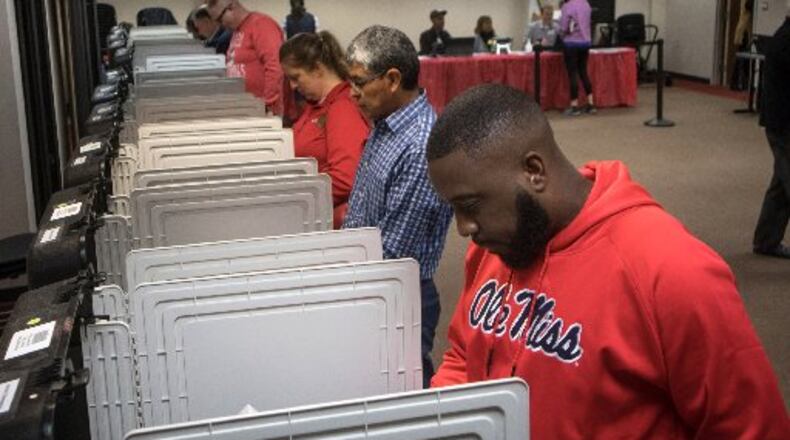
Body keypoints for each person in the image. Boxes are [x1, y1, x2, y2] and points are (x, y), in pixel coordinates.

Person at [426, 84, 790, 438]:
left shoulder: (674, 271)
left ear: (534, 171)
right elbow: (463, 353)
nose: (464, 227)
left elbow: (751, 428)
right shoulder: (496, 245)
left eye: (470, 206)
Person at [343, 25, 454, 388]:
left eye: (359, 82)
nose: (352, 93)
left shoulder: (420, 144)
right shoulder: (387, 122)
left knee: (405, 395)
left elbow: (394, 254)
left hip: (399, 295)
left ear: (392, 79)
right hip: (372, 282)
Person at [279, 31, 369, 228]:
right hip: (309, 208)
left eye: (296, 77)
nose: (292, 86)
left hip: (319, 216)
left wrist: (293, 202)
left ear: (317, 69)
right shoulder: (318, 104)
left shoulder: (342, 107)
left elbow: (345, 178)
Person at [753, 6, 790, 259]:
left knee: (781, 184)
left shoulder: (783, 37)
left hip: (780, 123)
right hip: (784, 126)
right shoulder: (786, 42)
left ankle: (766, 241)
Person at [207, 0, 285, 115]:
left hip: (264, 111)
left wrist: (267, 104)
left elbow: (275, 66)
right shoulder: (237, 31)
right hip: (248, 108)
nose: (221, 24)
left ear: (231, 7)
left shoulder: (261, 24)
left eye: (220, 19)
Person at [560, 0, 595, 115]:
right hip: (585, 42)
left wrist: (561, 34)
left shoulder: (567, 6)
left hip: (571, 43)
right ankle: (591, 104)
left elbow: (564, 27)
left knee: (573, 73)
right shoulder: (586, 4)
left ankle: (574, 106)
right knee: (583, 71)